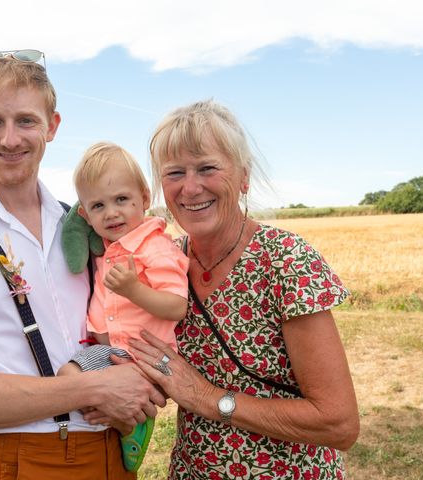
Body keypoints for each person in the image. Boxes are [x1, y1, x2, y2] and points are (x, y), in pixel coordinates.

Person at [0, 50, 165, 480]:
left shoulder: (81, 223)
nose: (9, 139)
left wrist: (144, 381)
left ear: (52, 126)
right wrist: (92, 387)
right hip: (30, 457)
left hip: (115, 451)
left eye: (25, 120)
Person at [117, 99, 360, 479]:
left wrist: (207, 398)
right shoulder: (165, 263)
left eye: (207, 168)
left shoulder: (286, 260)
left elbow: (339, 423)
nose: (191, 187)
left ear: (243, 177)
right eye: (175, 172)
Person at [57, 142, 189, 470]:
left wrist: (134, 290)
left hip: (145, 356)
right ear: (85, 215)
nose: (112, 213)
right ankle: (127, 425)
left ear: (144, 198)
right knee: (83, 391)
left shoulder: (154, 248)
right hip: (116, 353)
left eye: (121, 200)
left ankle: (131, 425)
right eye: (98, 205)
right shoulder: (107, 247)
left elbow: (176, 306)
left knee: (68, 377)